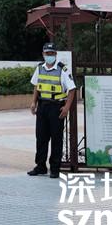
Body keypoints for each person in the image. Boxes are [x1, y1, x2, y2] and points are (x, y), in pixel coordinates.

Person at [28, 42, 76, 178]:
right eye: (47, 53)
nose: (49, 56)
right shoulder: (39, 68)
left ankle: (55, 168)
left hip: (56, 107)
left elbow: (72, 89)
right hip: (42, 106)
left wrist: (67, 107)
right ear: (43, 54)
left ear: (55, 54)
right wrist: (33, 102)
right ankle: (40, 166)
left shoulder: (62, 70)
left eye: (52, 53)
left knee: (56, 138)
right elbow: (36, 86)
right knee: (41, 137)